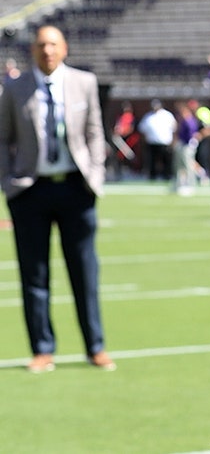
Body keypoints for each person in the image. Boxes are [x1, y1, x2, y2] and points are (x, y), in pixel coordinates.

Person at [0, 26, 114, 372]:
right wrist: (9, 182)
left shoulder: (84, 82)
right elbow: (3, 139)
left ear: (64, 49)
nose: (47, 51)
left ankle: (95, 346)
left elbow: (95, 131)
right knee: (34, 274)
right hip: (29, 190)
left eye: (52, 44)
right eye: (40, 45)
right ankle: (42, 349)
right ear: (32, 51)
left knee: (84, 270)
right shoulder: (14, 88)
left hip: (76, 189)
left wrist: (94, 173)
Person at [138, 98, 177, 181]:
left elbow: (174, 129)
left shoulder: (167, 115)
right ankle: (153, 177)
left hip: (165, 142)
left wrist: (173, 142)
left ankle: (167, 176)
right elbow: (142, 129)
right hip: (152, 143)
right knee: (152, 161)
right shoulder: (148, 116)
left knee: (166, 161)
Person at [172, 99, 206, 195]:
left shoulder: (189, 121)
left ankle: (191, 184)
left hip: (188, 145)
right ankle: (178, 184)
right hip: (182, 144)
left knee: (188, 165)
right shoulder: (183, 121)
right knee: (179, 165)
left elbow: (192, 134)